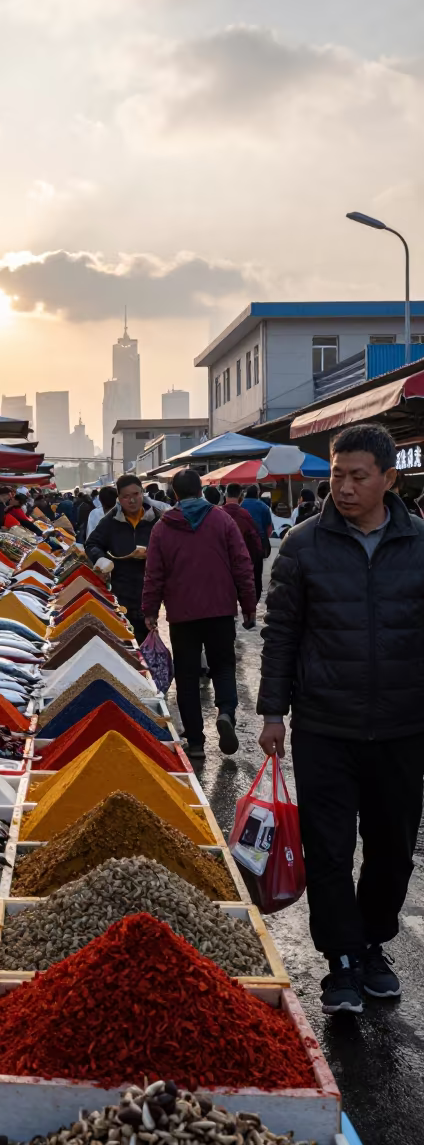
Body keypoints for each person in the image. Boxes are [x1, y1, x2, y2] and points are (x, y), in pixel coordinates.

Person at [257, 422, 424, 1015]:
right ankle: (342, 961)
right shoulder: (304, 545)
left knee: (392, 848)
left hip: (404, 727)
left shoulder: (419, 543)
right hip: (326, 725)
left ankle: (374, 942)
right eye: (337, 475)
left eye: (358, 477)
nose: (345, 488)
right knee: (328, 847)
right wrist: (273, 710)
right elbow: (281, 633)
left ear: (389, 479)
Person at [142, 468, 256, 758]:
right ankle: (226, 713)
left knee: (188, 677)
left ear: (175, 494)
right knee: (223, 666)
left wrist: (150, 610)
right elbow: (242, 564)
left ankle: (196, 742)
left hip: (183, 615)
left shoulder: (162, 527)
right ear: (202, 490)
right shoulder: (222, 520)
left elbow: (154, 574)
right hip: (220, 610)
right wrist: (249, 605)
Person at [86, 475, 163, 645]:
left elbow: (172, 548)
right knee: (129, 641)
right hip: (124, 590)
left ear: (142, 493)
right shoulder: (110, 521)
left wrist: (153, 554)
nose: (132, 500)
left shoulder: (158, 519)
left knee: (150, 638)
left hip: (153, 592)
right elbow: (91, 543)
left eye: (136, 494)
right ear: (119, 499)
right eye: (126, 497)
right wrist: (101, 558)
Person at [222, 484, 264, 605]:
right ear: (240, 496)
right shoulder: (245, 516)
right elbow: (256, 542)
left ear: (225, 495)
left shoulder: (217, 515)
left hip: (223, 564)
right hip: (243, 561)